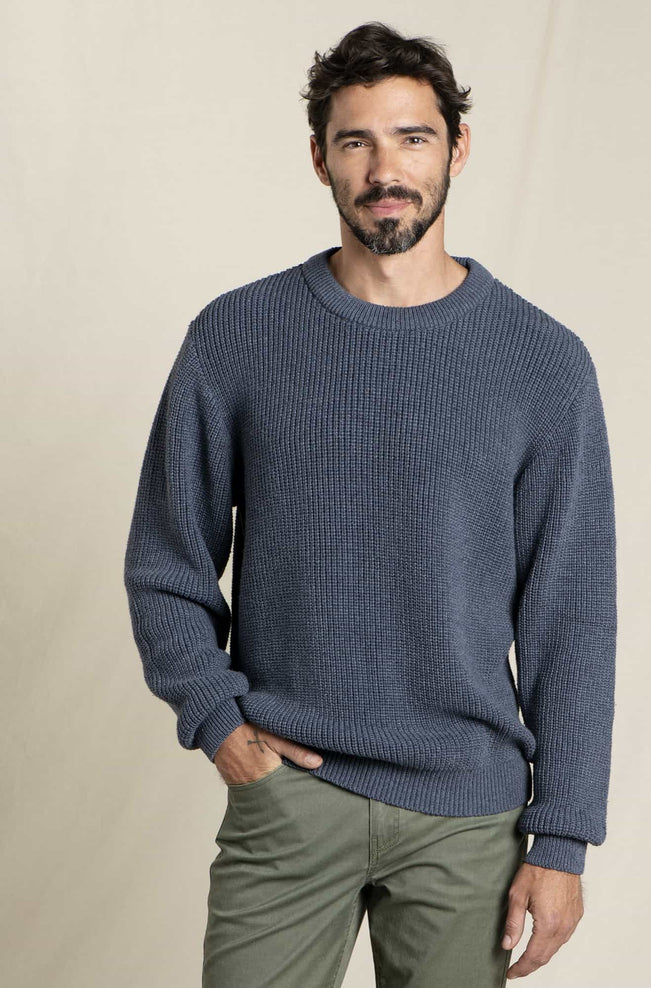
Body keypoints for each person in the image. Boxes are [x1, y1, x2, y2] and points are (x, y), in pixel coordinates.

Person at [123, 20, 617, 987]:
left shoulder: (544, 363)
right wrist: (220, 725)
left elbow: (571, 615)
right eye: (356, 141)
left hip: (469, 814)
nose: (385, 169)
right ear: (320, 159)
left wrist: (563, 837)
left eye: (412, 138)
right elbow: (165, 564)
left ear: (457, 149)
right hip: (288, 798)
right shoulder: (239, 336)